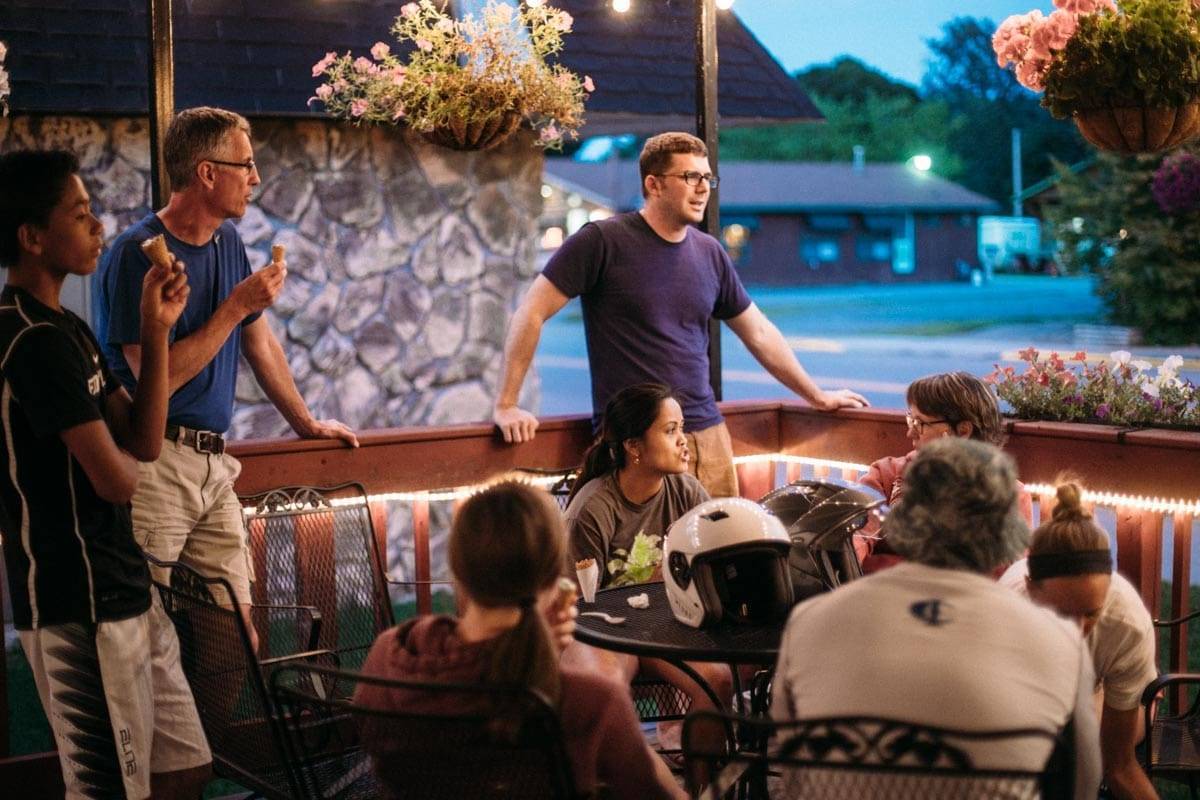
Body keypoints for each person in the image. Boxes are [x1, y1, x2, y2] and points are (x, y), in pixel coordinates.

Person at [92, 106, 358, 644]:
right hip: (156, 464)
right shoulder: (138, 254)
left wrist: (306, 423)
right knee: (147, 638)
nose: (256, 178)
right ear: (208, 173)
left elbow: (260, 343)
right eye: (247, 164)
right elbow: (155, 381)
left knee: (237, 637)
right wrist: (235, 307)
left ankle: (215, 706)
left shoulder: (228, 242)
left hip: (215, 464)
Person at [492, 131, 867, 497]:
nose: (702, 188)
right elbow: (531, 312)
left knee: (724, 538)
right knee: (648, 543)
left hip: (708, 435)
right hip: (638, 442)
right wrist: (507, 404)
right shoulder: (602, 242)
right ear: (653, 184)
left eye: (707, 178)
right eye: (690, 177)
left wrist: (817, 396)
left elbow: (759, 333)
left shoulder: (710, 253)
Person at [0, 149, 210, 799]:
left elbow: (142, 441)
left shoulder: (69, 330)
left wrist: (155, 328)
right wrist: (127, 465)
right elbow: (116, 480)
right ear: (32, 237)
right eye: (80, 214)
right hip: (75, 601)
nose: (98, 227)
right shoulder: (29, 340)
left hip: (123, 585)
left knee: (185, 767)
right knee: (110, 790)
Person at [771, 438, 1102, 799]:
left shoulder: (810, 622)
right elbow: (1082, 785)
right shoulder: (1058, 641)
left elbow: (794, 772)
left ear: (905, 523)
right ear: (1002, 536)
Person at [357, 481, 685, 800]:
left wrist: (545, 648)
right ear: (555, 575)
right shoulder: (588, 703)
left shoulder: (389, 657)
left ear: (458, 569)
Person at [561, 382, 730, 756]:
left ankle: (703, 783)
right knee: (609, 689)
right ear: (633, 447)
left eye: (682, 428)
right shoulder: (594, 509)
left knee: (717, 679)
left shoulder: (687, 492)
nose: (683, 440)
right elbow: (576, 605)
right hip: (605, 631)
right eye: (670, 431)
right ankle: (626, 777)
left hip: (664, 628)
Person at [1000, 483, 1157, 800]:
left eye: (1091, 613)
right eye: (1061, 614)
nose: (1077, 630)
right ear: (1030, 588)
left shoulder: (1126, 625)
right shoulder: (1005, 617)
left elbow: (1120, 766)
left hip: (1099, 687)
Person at [857, 371, 1033, 573]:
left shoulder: (1008, 496)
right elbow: (854, 538)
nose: (910, 432)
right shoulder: (886, 475)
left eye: (920, 424)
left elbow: (1000, 574)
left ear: (963, 431)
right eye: (910, 420)